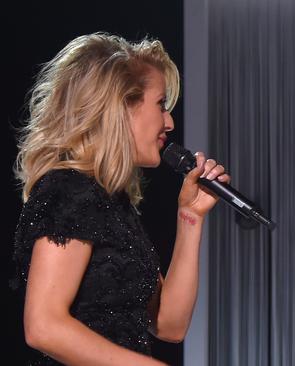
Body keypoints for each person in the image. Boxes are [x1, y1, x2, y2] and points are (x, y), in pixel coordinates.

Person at [12, 33, 229, 365]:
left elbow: (170, 325)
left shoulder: (113, 204)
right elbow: (44, 326)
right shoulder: (68, 191)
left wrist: (191, 217)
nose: (169, 122)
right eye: (160, 105)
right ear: (120, 106)